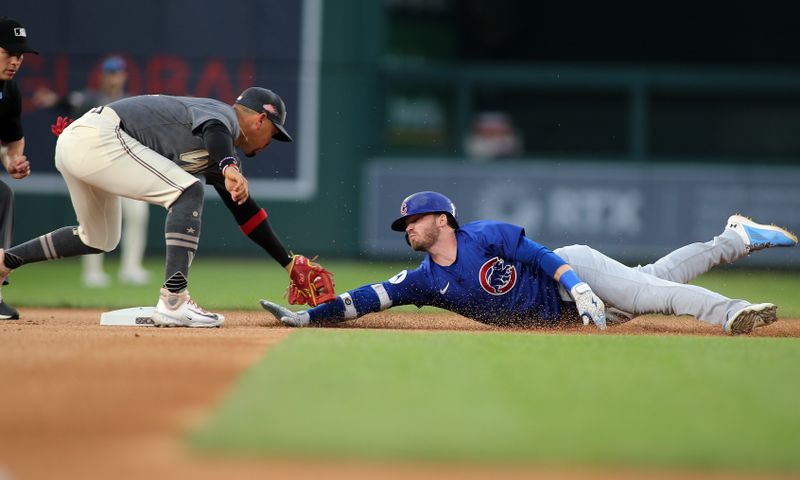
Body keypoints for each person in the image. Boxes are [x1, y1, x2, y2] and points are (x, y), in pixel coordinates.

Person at [0, 86, 323, 327]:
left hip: (84, 141)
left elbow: (246, 212)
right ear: (261, 120)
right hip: (97, 138)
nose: (270, 142)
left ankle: (6, 260)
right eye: (273, 133)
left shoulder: (220, 146)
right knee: (187, 190)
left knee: (98, 238)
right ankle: (173, 299)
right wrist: (228, 166)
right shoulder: (223, 116)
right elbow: (215, 131)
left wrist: (289, 263)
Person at [262, 191, 798, 335]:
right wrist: (310, 316)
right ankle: (734, 238)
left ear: (441, 220)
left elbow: (539, 254)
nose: (408, 229)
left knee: (655, 296)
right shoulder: (425, 279)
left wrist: (580, 286)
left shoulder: (483, 235)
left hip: (574, 274)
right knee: (658, 279)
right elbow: (370, 297)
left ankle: (731, 314)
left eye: (414, 221)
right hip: (571, 312)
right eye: (405, 225)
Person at [34, 55, 151, 287]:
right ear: (103, 76)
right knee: (94, 220)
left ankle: (131, 268)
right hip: (98, 168)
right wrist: (52, 101)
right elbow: (68, 102)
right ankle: (93, 271)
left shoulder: (129, 101)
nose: (113, 77)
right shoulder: (91, 99)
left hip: (126, 170)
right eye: (110, 73)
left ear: (124, 75)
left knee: (137, 216)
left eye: (117, 73)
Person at [0, 17, 35, 320]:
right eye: (8, 52)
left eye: (20, 55)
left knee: (3, 195)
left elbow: (11, 140)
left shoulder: (9, 92)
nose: (15, 61)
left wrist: (12, 160)